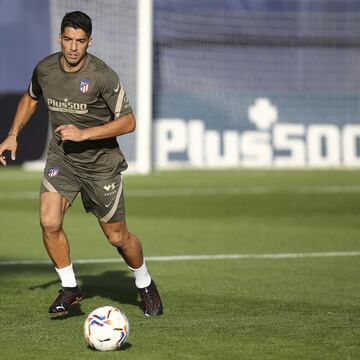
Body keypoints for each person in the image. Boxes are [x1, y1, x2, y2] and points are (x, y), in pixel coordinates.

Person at [0, 11, 163, 317]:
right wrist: (12, 134)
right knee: (49, 222)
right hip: (62, 158)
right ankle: (71, 288)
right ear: (60, 38)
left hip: (101, 165)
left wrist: (84, 134)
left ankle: (144, 283)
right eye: (68, 39)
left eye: (80, 41)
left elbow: (129, 122)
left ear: (89, 42)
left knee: (118, 237)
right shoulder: (46, 68)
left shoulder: (103, 75)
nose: (73, 47)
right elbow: (31, 97)